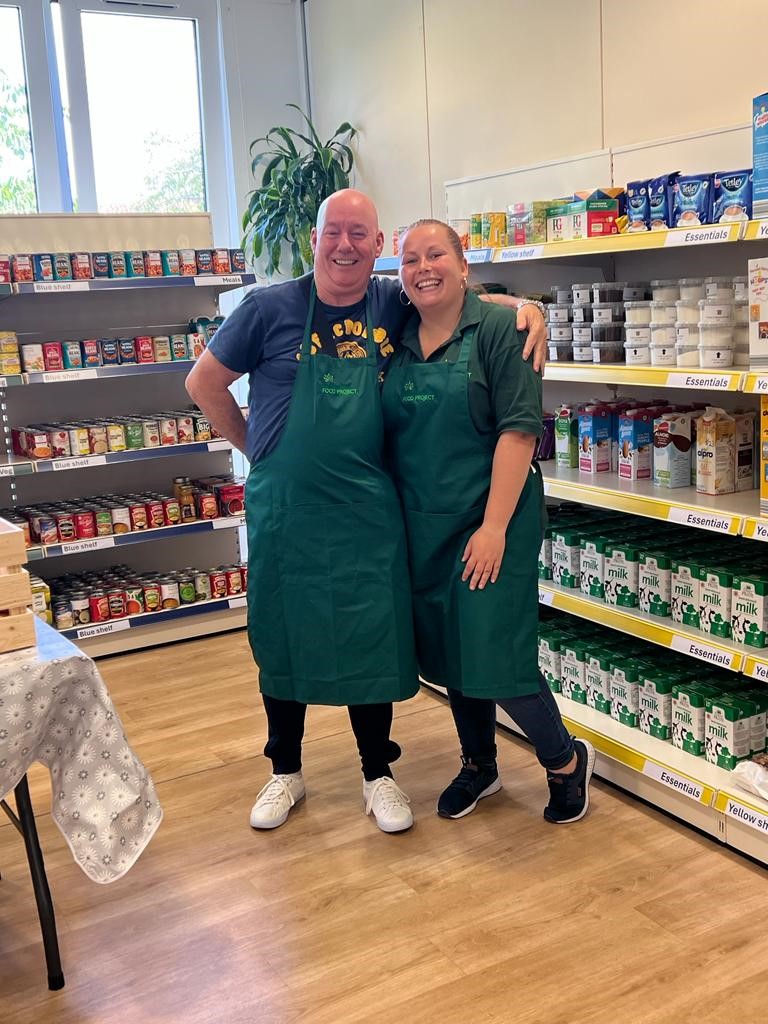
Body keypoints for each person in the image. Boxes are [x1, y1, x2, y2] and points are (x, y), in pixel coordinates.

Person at [185, 190, 548, 834]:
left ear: (377, 247)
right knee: (283, 631)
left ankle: (378, 773)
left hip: (367, 509)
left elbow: (461, 303)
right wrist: (257, 450)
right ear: (315, 239)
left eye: (359, 233)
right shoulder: (269, 309)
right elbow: (203, 383)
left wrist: (527, 308)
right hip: (288, 509)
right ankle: (284, 771)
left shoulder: (391, 303)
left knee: (371, 634)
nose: (345, 244)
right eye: (334, 231)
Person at [382, 218, 595, 824]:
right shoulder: (393, 334)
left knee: (496, 653)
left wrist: (494, 526)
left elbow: (520, 429)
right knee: (452, 652)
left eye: (436, 255)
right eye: (410, 260)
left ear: (463, 263)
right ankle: (480, 764)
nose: (424, 268)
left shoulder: (504, 330)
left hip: (491, 518)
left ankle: (564, 760)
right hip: (424, 523)